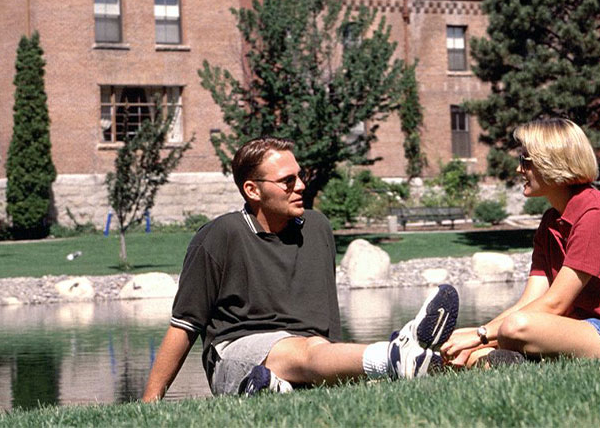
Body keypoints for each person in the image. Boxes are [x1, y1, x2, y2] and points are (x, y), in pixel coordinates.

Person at [142, 136, 459, 400]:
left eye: (300, 176)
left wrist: (336, 369)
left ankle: (273, 387)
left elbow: (327, 312)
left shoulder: (317, 227)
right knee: (305, 350)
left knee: (314, 349)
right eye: (287, 181)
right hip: (240, 349)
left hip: (311, 350)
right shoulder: (219, 235)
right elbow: (184, 325)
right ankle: (392, 356)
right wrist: (150, 401)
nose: (301, 186)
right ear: (253, 190)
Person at [441, 118, 600, 368]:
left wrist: (480, 335)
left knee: (516, 326)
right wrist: (476, 339)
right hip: (581, 329)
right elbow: (529, 302)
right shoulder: (551, 222)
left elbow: (555, 303)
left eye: (525, 161)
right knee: (481, 349)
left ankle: (504, 359)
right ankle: (491, 361)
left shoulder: (598, 215)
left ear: (552, 162)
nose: (519, 170)